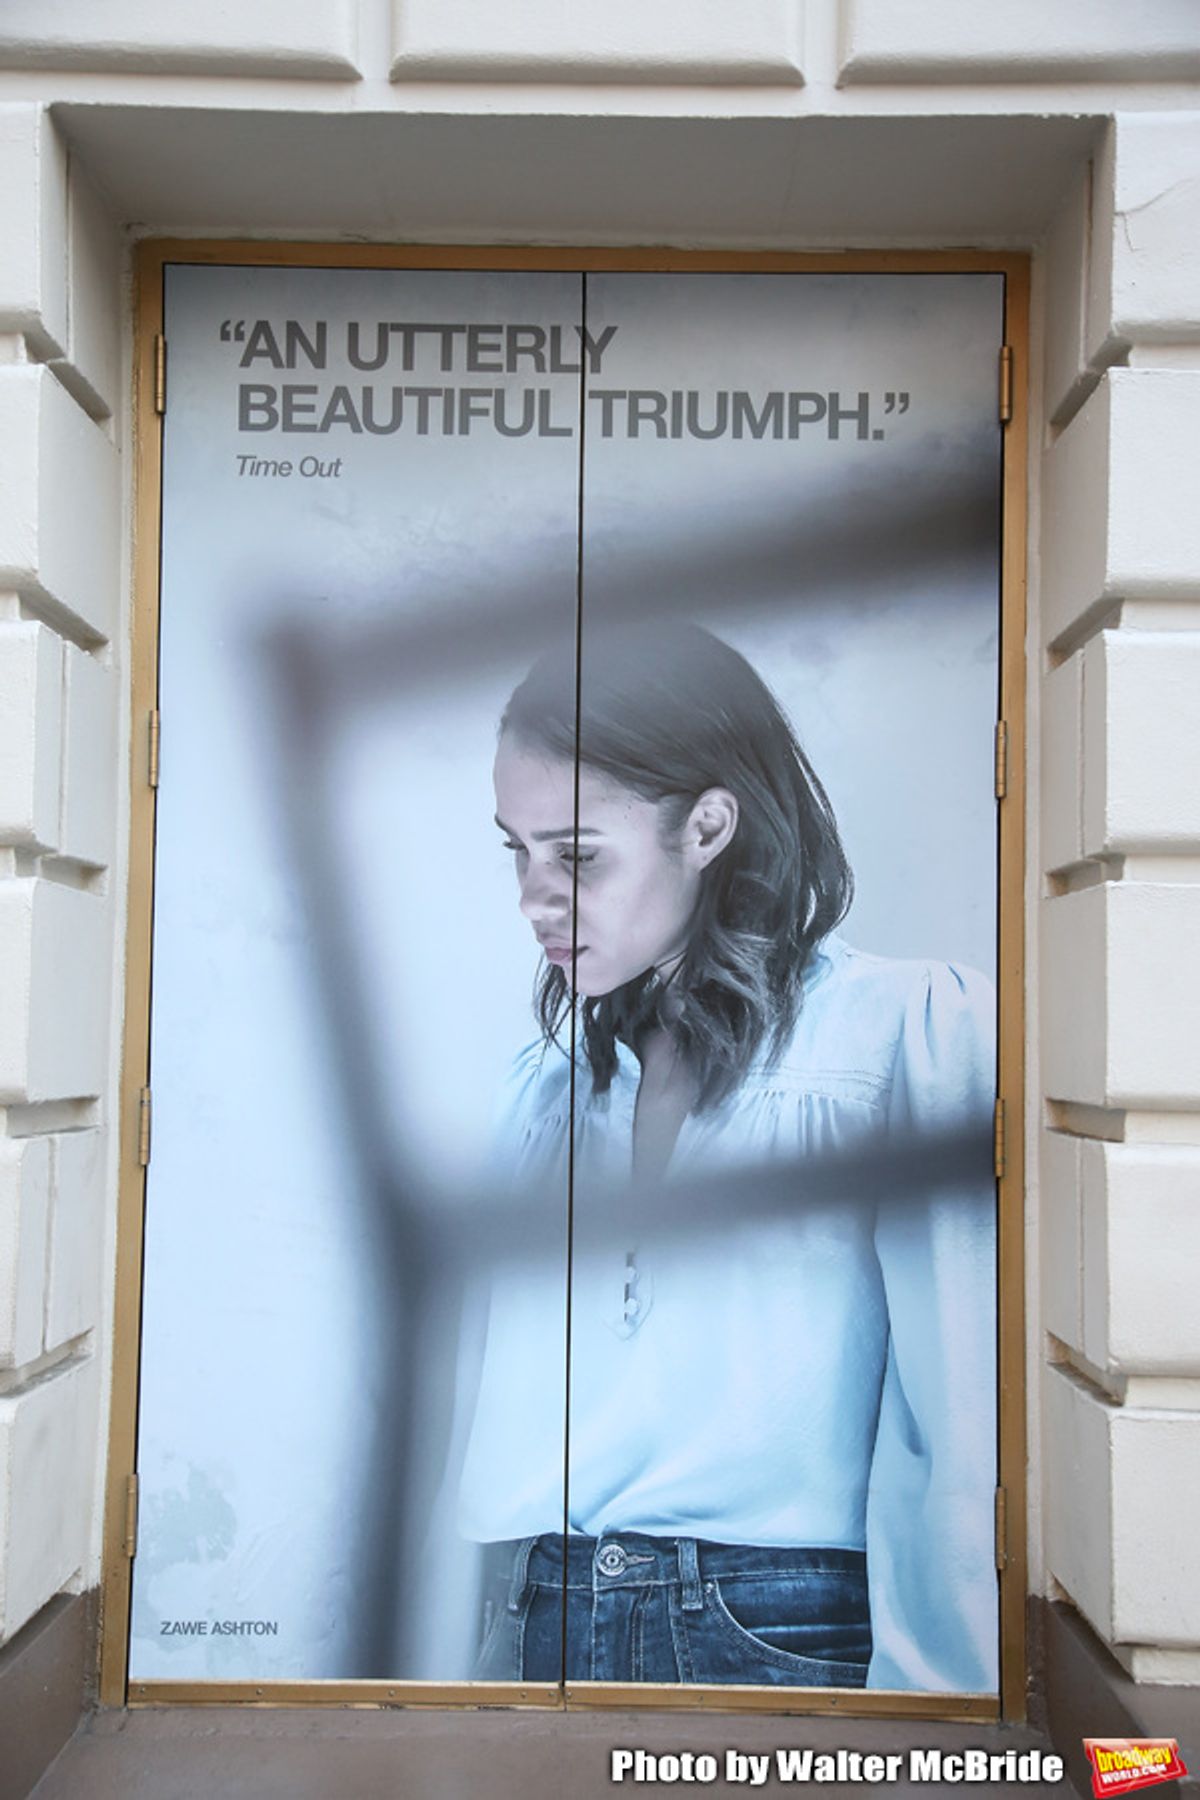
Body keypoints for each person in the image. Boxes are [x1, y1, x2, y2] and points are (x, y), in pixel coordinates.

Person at [458, 620, 997, 1693]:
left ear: (707, 826)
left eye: (575, 853)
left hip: (780, 1634)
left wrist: (938, 1716)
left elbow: (961, 1441)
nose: (533, 896)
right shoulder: (550, 1086)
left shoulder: (902, 1036)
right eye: (515, 851)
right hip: (534, 1626)